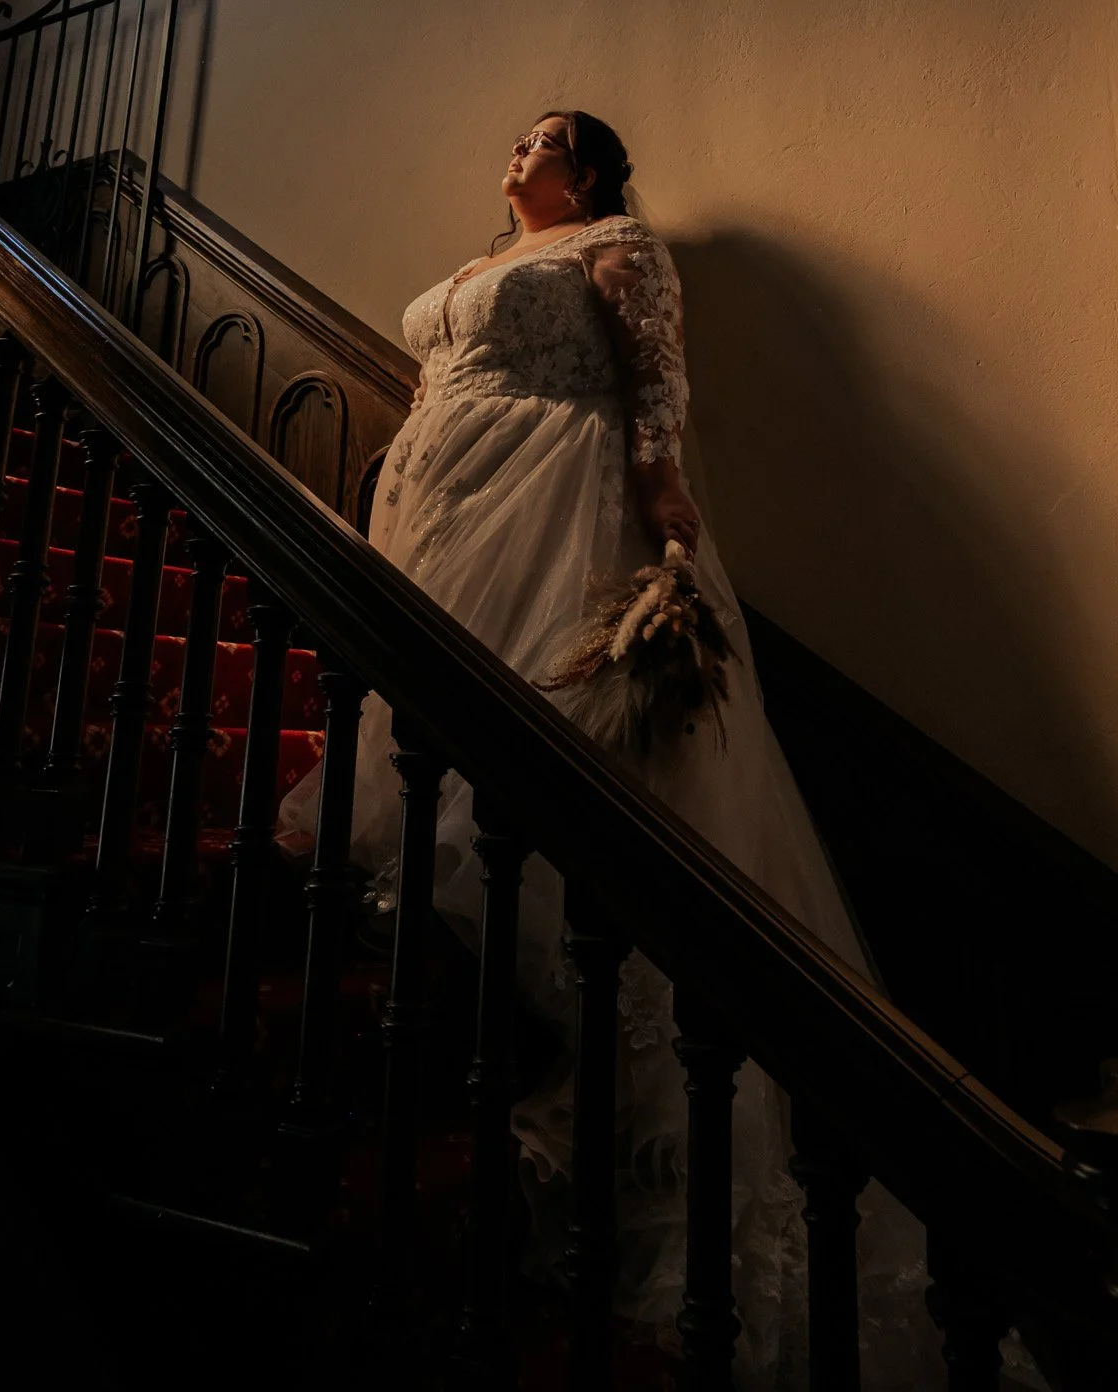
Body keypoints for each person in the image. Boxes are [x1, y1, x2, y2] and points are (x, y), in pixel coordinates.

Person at [276, 110, 938, 1386]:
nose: (517, 149)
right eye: (517, 137)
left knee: (546, 719)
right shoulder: (481, 262)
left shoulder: (617, 242)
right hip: (446, 501)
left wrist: (658, 481)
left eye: (545, 138)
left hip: (555, 491)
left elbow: (656, 369)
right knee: (431, 707)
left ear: (585, 169)